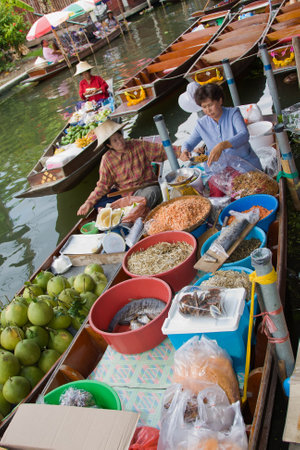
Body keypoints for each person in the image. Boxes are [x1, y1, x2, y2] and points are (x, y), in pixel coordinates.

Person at [77, 120, 183, 215]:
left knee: (153, 191)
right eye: (115, 141)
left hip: (146, 188)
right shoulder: (107, 160)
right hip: (127, 197)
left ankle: (132, 213)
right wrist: (88, 203)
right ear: (109, 145)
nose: (120, 141)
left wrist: (181, 151)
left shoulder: (138, 145)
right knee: (100, 203)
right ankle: (133, 212)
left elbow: (161, 150)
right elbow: (102, 185)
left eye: (120, 137)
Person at [180, 83, 262, 196]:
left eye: (211, 105)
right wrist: (184, 150)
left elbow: (244, 134)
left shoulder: (233, 113)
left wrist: (222, 145)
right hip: (219, 170)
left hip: (243, 165)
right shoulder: (201, 123)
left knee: (241, 190)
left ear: (220, 101)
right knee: (217, 194)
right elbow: (188, 143)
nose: (208, 110)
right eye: (204, 107)